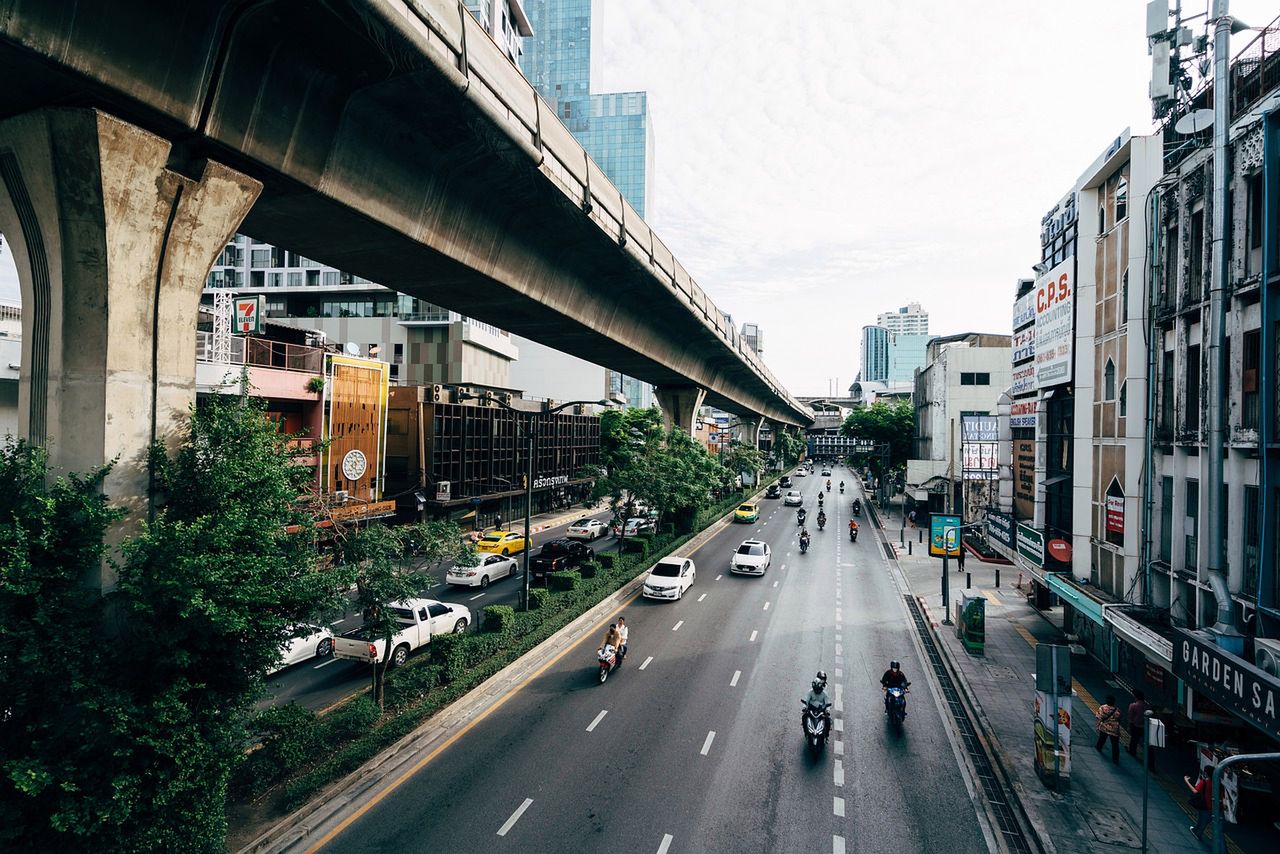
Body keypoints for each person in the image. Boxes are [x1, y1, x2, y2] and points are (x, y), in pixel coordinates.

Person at [1185, 766, 1212, 840]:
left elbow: (1195, 791)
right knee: (1205, 820)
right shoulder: (1218, 783)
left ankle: (1197, 833)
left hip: (1205, 805)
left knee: (1202, 819)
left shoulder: (1205, 782)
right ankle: (1195, 828)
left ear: (1206, 773)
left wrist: (1186, 781)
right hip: (1216, 806)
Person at [1095, 695, 1122, 764]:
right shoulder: (1117, 710)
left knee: (1102, 738)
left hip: (1104, 727)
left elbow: (1099, 717)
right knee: (1115, 744)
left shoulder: (1102, 707)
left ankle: (1099, 747)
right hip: (1114, 729)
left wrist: (1097, 726)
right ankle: (1115, 758)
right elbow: (1119, 719)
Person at [1127, 690, 1148, 759]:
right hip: (1145, 726)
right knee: (1147, 742)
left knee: (1134, 740)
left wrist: (1129, 726)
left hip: (1135, 726)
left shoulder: (1133, 705)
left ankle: (1132, 752)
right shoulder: (1146, 706)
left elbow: (1130, 717)